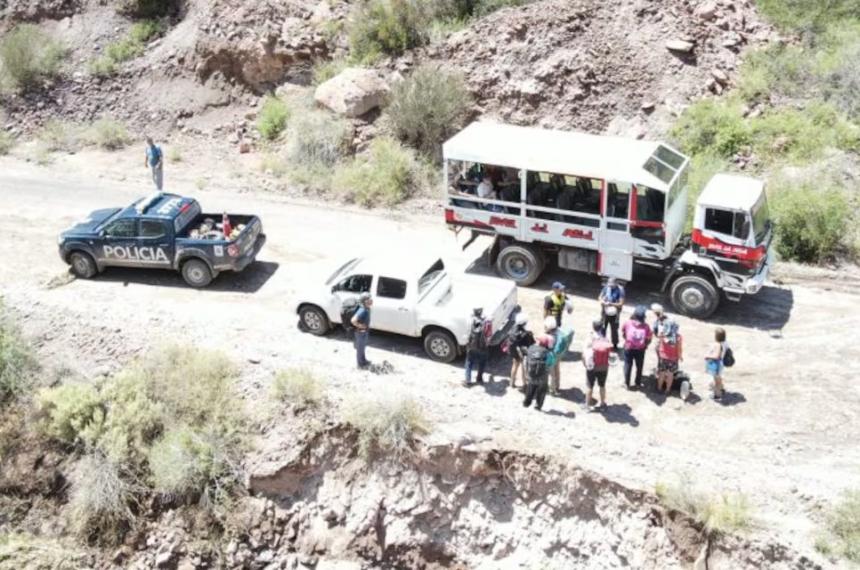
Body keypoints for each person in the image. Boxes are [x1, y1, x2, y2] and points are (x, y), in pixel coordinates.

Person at [583, 320, 612, 410]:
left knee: (589, 386)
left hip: (592, 366)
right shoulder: (606, 339)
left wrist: (585, 364)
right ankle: (603, 404)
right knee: (602, 386)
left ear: (593, 327)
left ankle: (587, 405)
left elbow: (585, 354)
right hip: (603, 366)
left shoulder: (590, 339)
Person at [621, 305, 652, 389]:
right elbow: (649, 338)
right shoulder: (646, 326)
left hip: (629, 347)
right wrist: (645, 345)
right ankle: (638, 383)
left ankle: (627, 384)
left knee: (628, 365)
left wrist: (627, 341)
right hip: (640, 349)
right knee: (639, 366)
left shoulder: (628, 323)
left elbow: (623, 333)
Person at [506, 313, 534, 389]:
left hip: (514, 351)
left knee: (514, 365)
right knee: (524, 368)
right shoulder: (526, 333)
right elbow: (531, 344)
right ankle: (524, 384)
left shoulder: (513, 329)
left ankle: (511, 383)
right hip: (523, 353)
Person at [464, 308, 492, 386]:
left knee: (469, 363)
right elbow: (489, 336)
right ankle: (479, 378)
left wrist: (467, 343)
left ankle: (468, 381)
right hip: (483, 347)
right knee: (482, 363)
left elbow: (467, 334)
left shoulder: (469, 321)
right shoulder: (487, 322)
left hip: (472, 347)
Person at [655, 319, 683, 394]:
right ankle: (667, 390)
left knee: (661, 373)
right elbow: (679, 349)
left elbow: (659, 343)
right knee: (670, 374)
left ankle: (659, 388)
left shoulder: (662, 334)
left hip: (663, 357)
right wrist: (680, 356)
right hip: (673, 359)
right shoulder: (678, 337)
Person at [599, 277, 625, 350]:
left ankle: (615, 344)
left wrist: (611, 304)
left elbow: (621, 303)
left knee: (614, 329)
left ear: (616, 283)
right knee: (603, 328)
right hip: (605, 312)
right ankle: (602, 343)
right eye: (609, 284)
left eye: (612, 285)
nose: (610, 286)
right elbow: (600, 297)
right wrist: (603, 302)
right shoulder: (606, 287)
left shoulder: (620, 290)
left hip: (615, 314)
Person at [523, 341, 550, 411]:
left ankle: (526, 403)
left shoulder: (531, 348)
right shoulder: (547, 352)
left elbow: (526, 360)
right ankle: (538, 406)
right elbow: (550, 364)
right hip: (542, 376)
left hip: (531, 373)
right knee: (542, 390)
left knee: (530, 387)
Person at [350, 293, 373, 369]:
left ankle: (364, 361)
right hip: (360, 333)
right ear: (364, 301)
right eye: (369, 299)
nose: (371, 300)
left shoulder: (367, 308)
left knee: (362, 348)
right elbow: (353, 320)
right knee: (360, 349)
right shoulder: (362, 310)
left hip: (364, 332)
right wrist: (361, 326)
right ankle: (360, 365)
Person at [705, 327, 728, 400]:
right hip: (721, 364)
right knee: (719, 378)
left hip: (717, 364)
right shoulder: (725, 343)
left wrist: (708, 356)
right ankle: (721, 389)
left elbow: (716, 356)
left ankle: (717, 395)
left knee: (716, 380)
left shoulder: (718, 344)